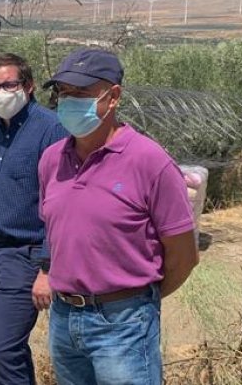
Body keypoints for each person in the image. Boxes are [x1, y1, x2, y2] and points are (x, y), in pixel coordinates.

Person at [40, 48, 199, 385]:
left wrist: (137, 301)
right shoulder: (52, 160)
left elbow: (183, 255)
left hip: (124, 323)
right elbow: (55, 233)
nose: (68, 102)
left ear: (113, 97)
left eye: (80, 94)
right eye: (63, 94)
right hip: (64, 318)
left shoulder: (149, 161)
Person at [0, 54, 69, 385]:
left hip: (23, 256)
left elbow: (59, 202)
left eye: (9, 84)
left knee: (3, 352)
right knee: (0, 350)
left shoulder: (51, 130)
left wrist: (47, 269)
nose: (1, 92)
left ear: (29, 85)